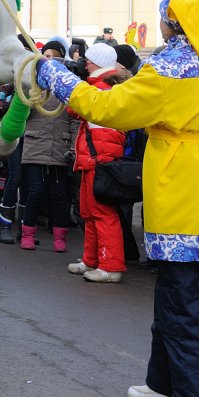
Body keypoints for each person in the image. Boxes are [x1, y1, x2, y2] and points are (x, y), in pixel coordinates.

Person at [34, 0, 199, 397]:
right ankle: (164, 382)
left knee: (184, 297)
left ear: (172, 21)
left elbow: (105, 107)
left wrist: (52, 74)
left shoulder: (168, 68)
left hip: (187, 182)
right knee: (174, 290)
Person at [67, 43, 130, 283]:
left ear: (95, 64)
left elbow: (74, 109)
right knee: (90, 212)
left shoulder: (102, 89)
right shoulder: (104, 86)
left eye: (88, 61)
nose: (84, 63)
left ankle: (110, 266)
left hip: (99, 160)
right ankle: (92, 260)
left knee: (103, 214)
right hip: (95, 159)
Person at [19, 40, 80, 252]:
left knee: (59, 195)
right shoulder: (31, 83)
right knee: (35, 192)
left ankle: (60, 238)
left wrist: (73, 147)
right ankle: (27, 234)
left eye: (54, 56)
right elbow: (20, 114)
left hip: (60, 148)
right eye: (46, 56)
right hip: (36, 146)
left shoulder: (70, 85)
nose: (50, 60)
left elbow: (75, 120)